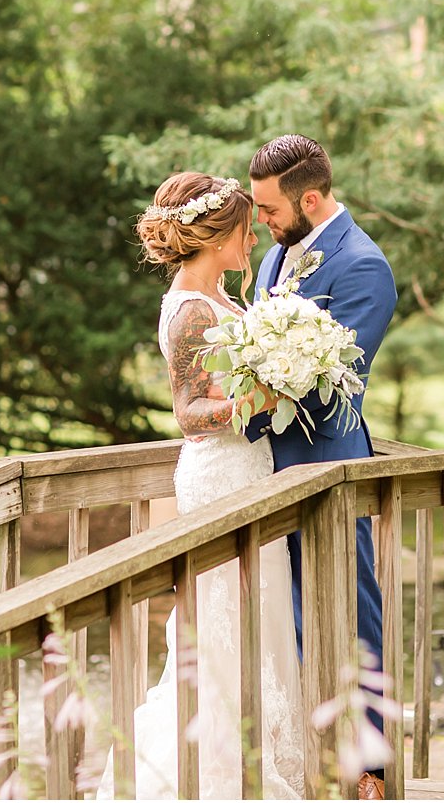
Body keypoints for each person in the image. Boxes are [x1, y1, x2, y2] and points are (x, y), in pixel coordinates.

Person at [98, 172, 305, 799]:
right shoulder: (191, 309)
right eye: (245, 230)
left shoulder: (215, 295)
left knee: (256, 619)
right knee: (220, 625)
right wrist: (260, 397)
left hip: (250, 471)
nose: (252, 240)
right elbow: (189, 413)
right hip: (220, 480)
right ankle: (219, 772)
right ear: (219, 236)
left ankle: (262, 756)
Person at [247, 135, 398, 802]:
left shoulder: (364, 268)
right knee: (283, 624)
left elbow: (333, 379)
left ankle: (368, 770)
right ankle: (300, 761)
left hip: (327, 473)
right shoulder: (277, 253)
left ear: (309, 198)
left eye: (268, 208)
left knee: (346, 620)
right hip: (261, 474)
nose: (260, 222)